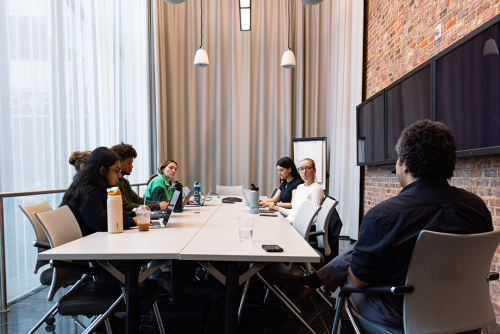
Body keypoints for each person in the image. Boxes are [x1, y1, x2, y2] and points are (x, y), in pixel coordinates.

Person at [276, 120, 493, 328]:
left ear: (405, 164)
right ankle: (311, 283)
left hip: (401, 312)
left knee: (355, 272)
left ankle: (313, 284)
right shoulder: (477, 208)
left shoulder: (385, 215)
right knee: (363, 250)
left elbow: (360, 282)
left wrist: (355, 264)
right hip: (466, 309)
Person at [60, 147, 137, 237]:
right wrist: (133, 221)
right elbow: (100, 222)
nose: (119, 175)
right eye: (116, 170)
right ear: (102, 170)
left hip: (89, 241)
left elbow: (107, 213)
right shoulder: (87, 190)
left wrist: (134, 214)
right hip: (79, 245)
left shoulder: (94, 186)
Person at [110, 142, 168, 211]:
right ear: (118, 162)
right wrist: (156, 206)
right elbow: (125, 205)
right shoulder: (114, 183)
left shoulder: (125, 181)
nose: (131, 166)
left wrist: (162, 204)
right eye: (129, 163)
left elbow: (138, 200)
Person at [269, 158, 324, 223]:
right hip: (290, 223)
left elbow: (313, 218)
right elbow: (294, 212)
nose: (304, 172)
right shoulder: (300, 187)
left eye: (308, 168)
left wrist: (287, 220)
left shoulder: (316, 190)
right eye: (301, 169)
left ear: (314, 170)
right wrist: (278, 208)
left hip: (299, 229)